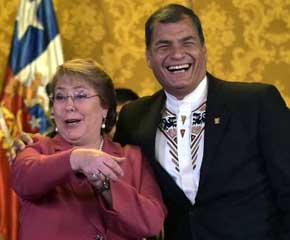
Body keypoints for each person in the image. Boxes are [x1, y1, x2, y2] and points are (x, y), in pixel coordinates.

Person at [113, 3, 290, 240]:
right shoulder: (133, 117)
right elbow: (127, 198)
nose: (177, 54)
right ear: (148, 56)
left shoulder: (256, 103)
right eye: (164, 45)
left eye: (187, 43)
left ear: (204, 49)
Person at [10, 58, 166, 240]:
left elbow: (151, 223)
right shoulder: (35, 146)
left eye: (81, 95)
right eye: (60, 97)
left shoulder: (132, 157)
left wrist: (106, 186)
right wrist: (76, 159)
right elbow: (23, 180)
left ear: (105, 108)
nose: (69, 106)